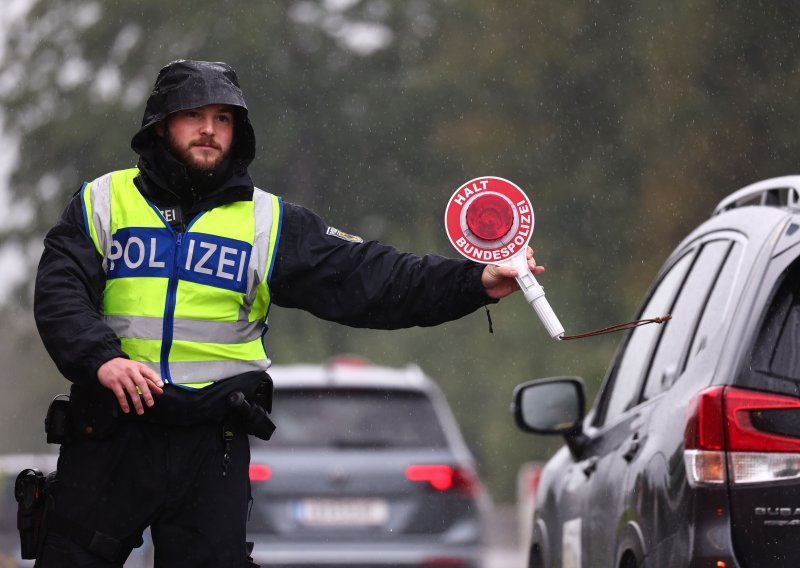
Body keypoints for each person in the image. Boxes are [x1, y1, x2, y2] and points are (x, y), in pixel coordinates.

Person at [32, 59, 544, 568]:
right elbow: (60, 292)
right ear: (162, 124)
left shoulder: (268, 220)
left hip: (211, 445)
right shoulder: (102, 201)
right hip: (112, 430)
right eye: (194, 115)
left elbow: (373, 278)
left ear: (239, 132)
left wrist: (475, 281)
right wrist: (101, 358)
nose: (209, 129)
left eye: (224, 118)